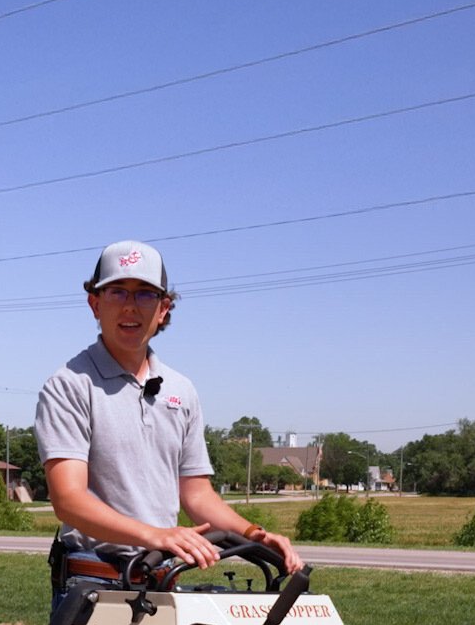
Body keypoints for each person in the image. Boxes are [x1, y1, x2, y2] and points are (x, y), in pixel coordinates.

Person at [35, 240, 302, 593]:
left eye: (145, 294)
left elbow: (197, 495)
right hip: (92, 579)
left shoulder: (182, 389)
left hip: (161, 577)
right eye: (118, 292)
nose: (130, 306)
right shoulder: (69, 385)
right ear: (94, 304)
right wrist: (157, 535)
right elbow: (69, 500)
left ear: (163, 308)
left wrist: (255, 535)